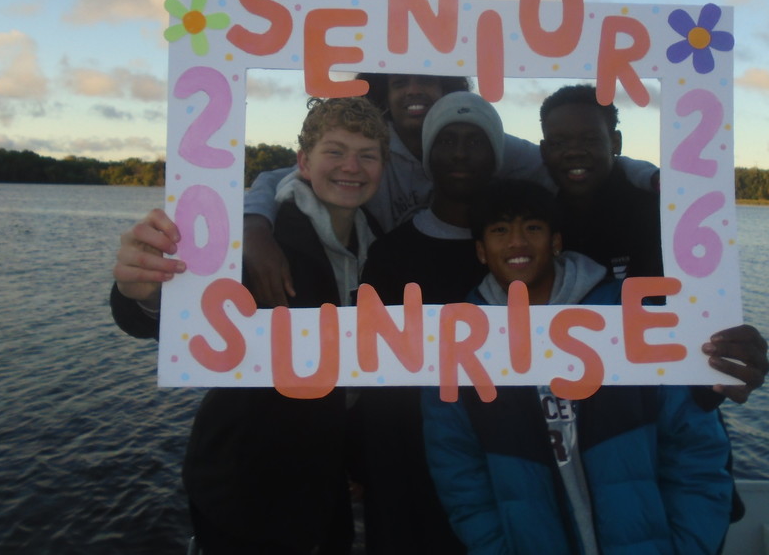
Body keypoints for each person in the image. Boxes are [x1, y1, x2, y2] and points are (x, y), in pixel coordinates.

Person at [111, 96, 390, 555]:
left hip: (324, 481)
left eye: (368, 155)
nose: (352, 167)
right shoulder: (254, 239)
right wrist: (139, 291)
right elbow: (165, 320)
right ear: (303, 162)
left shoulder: (377, 242)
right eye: (335, 152)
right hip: (243, 484)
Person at [421, 179, 736, 555]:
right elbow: (458, 476)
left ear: (556, 242)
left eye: (532, 228)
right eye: (500, 230)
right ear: (481, 251)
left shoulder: (631, 319)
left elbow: (694, 446)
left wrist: (689, 546)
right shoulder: (457, 344)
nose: (517, 242)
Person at [242, 72, 658, 307]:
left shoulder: (497, 150)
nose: (461, 154)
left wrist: (654, 178)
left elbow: (575, 158)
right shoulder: (367, 145)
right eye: (401, 81)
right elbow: (285, 176)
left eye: (428, 80)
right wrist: (253, 229)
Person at [538, 84, 769, 403]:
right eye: (559, 142)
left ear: (615, 143)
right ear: (542, 151)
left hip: (658, 404)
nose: (574, 151)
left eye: (590, 139)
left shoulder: (667, 216)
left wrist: (727, 357)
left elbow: (700, 316)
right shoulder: (533, 222)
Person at [352, 90, 506, 554]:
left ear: (496, 156)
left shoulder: (519, 254)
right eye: (446, 140)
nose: (460, 153)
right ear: (426, 155)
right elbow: (370, 374)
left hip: (500, 468)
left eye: (475, 140)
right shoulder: (390, 254)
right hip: (404, 472)